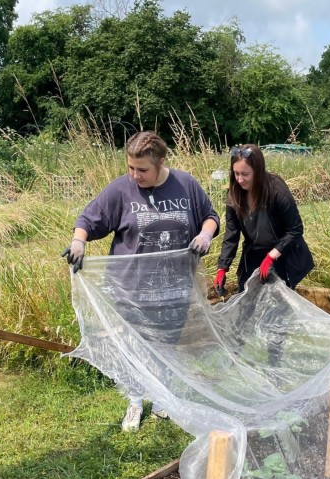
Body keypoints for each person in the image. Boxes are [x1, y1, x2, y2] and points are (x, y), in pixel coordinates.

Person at [62, 130, 220, 432]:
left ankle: (162, 398)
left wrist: (205, 234)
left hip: (174, 286)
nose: (135, 175)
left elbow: (210, 216)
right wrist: (78, 242)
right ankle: (135, 400)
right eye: (130, 168)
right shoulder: (121, 190)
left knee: (167, 345)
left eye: (142, 169)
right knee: (134, 346)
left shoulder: (185, 185)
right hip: (130, 287)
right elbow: (88, 220)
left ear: (160, 162)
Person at [214, 144, 314, 296]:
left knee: (278, 303)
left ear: (258, 172)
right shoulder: (234, 195)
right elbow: (232, 233)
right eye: (236, 173)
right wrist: (222, 267)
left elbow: (295, 229)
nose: (240, 180)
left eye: (245, 174)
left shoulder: (277, 191)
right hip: (254, 252)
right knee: (247, 296)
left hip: (282, 252)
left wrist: (271, 256)